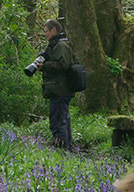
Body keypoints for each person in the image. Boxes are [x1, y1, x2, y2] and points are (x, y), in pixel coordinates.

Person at [37, 19, 75, 149]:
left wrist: (44, 66)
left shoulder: (61, 46)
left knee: (57, 122)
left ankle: (62, 150)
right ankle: (67, 149)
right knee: (62, 120)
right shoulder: (55, 45)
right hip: (58, 89)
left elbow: (63, 65)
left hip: (60, 89)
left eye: (46, 31)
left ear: (54, 30)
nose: (45, 34)